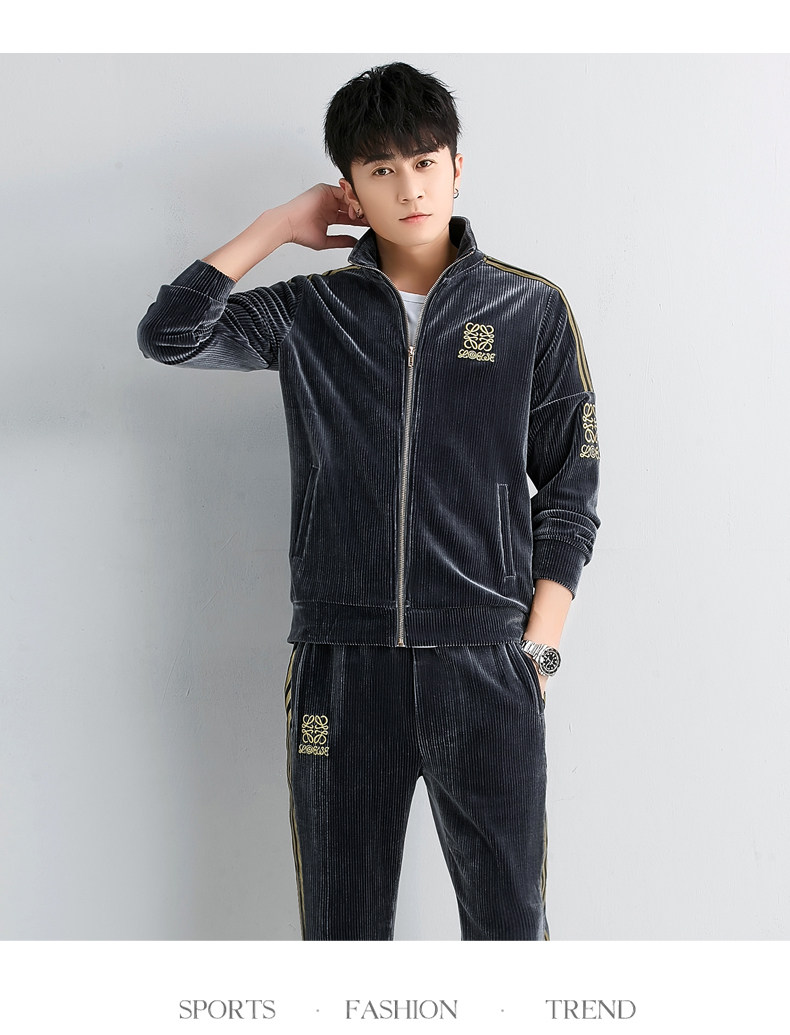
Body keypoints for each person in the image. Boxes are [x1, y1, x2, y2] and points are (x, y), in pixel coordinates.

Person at [137, 61, 601, 941]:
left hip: (484, 662)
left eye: (424, 163)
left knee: (511, 935)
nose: (409, 188)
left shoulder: (531, 310)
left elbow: (571, 493)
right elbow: (170, 336)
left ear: (457, 167)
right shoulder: (310, 312)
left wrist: (537, 653)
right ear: (350, 188)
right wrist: (279, 226)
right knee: (341, 937)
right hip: (341, 666)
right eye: (382, 169)